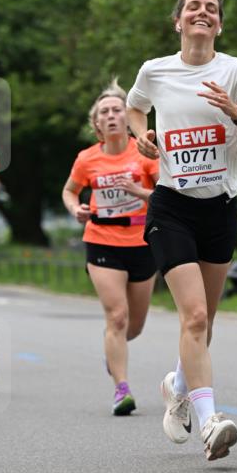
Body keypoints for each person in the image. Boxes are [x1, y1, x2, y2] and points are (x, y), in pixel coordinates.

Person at [126, 0, 237, 460]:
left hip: (220, 207)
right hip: (171, 206)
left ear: (220, 24)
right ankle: (210, 420)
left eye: (212, 9)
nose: (202, 13)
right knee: (193, 315)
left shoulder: (236, 72)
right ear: (178, 21)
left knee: (204, 322)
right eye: (194, 7)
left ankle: (177, 385)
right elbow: (134, 107)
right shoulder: (155, 70)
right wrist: (140, 137)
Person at [62, 80, 159, 416]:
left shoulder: (145, 152)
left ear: (128, 117)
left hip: (143, 242)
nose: (112, 115)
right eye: (105, 112)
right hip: (102, 240)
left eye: (118, 109)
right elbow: (70, 191)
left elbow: (164, 195)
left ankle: (112, 351)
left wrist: (137, 191)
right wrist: (76, 208)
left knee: (134, 326)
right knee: (116, 317)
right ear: (97, 124)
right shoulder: (86, 159)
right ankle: (122, 388)